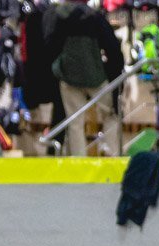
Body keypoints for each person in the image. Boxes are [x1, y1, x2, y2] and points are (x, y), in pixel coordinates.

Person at [42, 0, 123, 155]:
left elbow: (50, 45)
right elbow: (113, 49)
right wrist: (112, 73)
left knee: (74, 123)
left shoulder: (59, 17)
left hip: (68, 76)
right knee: (111, 114)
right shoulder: (95, 17)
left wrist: (58, 68)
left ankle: (79, 163)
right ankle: (114, 155)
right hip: (95, 76)